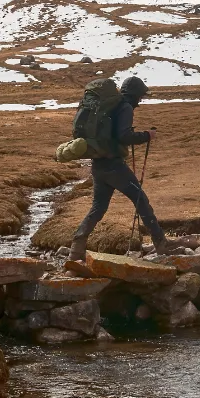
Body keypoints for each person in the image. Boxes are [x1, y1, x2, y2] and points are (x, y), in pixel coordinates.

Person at [68, 76, 183, 261]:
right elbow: (123, 136)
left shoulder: (110, 106)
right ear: (135, 94)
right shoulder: (125, 107)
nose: (141, 100)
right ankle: (161, 244)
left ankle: (76, 248)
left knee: (98, 208)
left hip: (99, 165)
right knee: (141, 200)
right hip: (114, 167)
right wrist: (147, 135)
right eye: (141, 96)